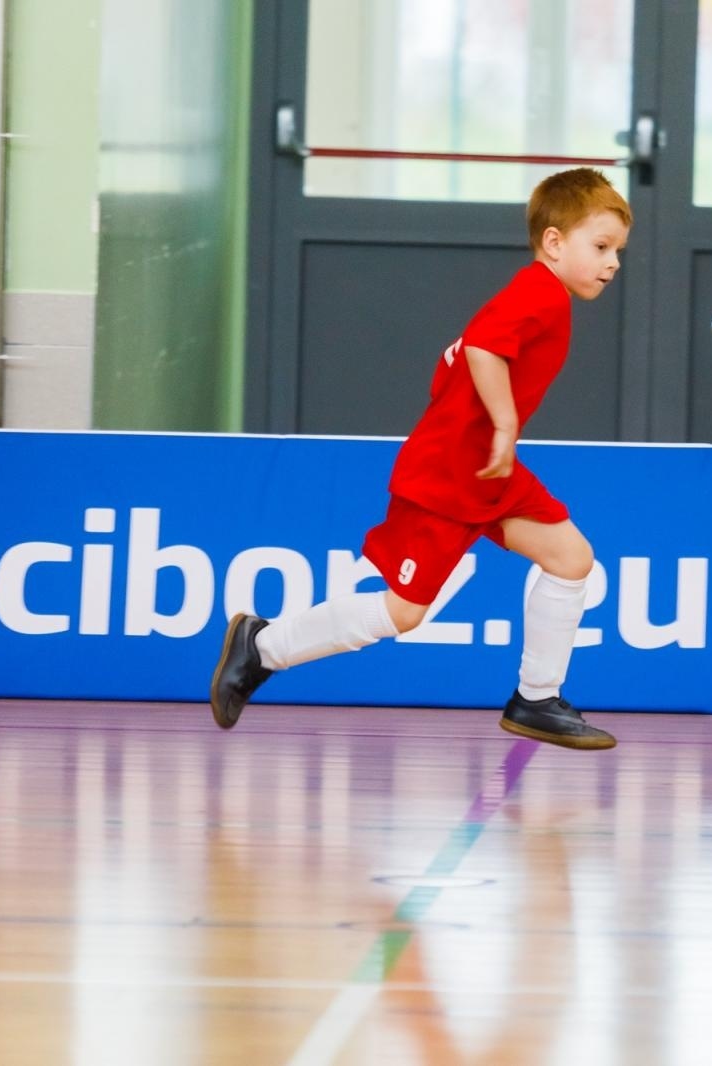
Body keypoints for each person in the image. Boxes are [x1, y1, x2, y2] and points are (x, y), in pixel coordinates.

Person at [211, 167, 630, 750]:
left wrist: (490, 428)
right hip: (450, 474)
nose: (613, 263)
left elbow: (456, 363)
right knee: (405, 613)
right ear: (554, 242)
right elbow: (482, 348)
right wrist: (505, 422)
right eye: (602, 247)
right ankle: (262, 646)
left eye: (617, 251)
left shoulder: (541, 297)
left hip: (488, 472)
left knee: (570, 558)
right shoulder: (539, 292)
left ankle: (537, 698)